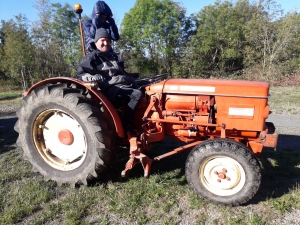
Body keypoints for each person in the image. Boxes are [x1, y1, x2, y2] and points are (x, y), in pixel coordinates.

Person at [76, 28, 142, 135]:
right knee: (136, 95)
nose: (106, 43)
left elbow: (122, 73)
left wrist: (134, 81)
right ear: (96, 42)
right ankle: (125, 126)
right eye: (103, 40)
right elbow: (80, 75)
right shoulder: (92, 57)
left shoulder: (112, 56)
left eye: (108, 40)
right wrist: (92, 77)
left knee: (147, 90)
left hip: (121, 86)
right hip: (108, 90)